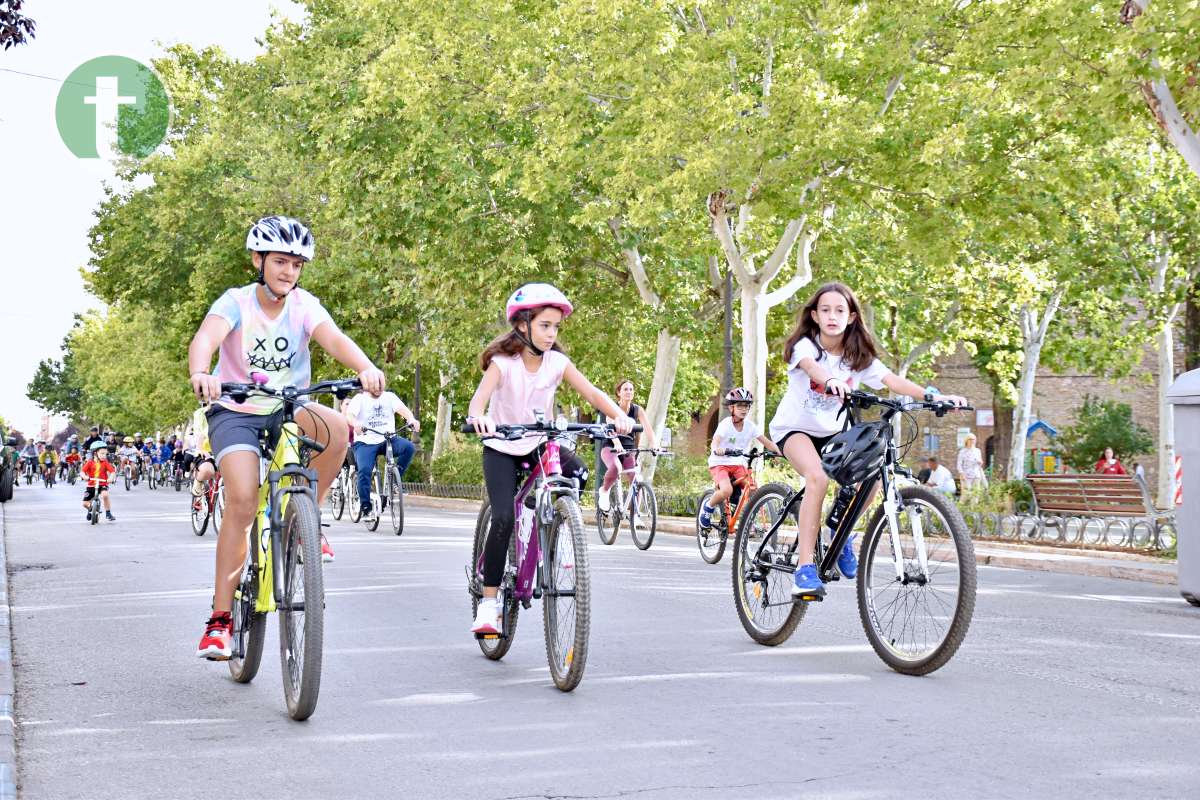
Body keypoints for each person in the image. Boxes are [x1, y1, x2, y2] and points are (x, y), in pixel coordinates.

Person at [188, 214, 385, 660]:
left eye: (296, 264)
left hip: (286, 406)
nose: (289, 272)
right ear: (258, 260)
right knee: (241, 498)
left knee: (335, 427)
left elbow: (333, 338)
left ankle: (307, 519)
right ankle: (220, 621)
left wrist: (364, 368)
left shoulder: (303, 305)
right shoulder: (236, 302)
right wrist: (202, 372)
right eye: (280, 262)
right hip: (236, 409)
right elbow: (205, 338)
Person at [768, 282, 968, 599]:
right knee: (817, 477)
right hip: (795, 430)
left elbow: (891, 380)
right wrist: (831, 380)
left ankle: (840, 532)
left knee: (874, 478)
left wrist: (934, 395)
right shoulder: (805, 347)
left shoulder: (857, 357)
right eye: (825, 310)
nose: (832, 316)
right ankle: (804, 568)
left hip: (834, 433)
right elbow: (811, 368)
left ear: (851, 317)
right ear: (814, 316)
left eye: (839, 310)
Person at [465, 283, 634, 635]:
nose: (551, 333)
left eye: (556, 327)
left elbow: (591, 392)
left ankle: (555, 529)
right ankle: (489, 602)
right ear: (523, 325)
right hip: (502, 446)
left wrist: (619, 416)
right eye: (545, 325)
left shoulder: (557, 363)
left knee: (580, 473)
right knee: (501, 518)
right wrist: (480, 418)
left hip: (540, 444)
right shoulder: (502, 364)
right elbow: (477, 402)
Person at [699, 387, 781, 529]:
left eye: (746, 406)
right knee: (727, 491)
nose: (744, 409)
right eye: (740, 406)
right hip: (720, 463)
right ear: (731, 407)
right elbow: (715, 441)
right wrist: (717, 449)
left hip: (738, 463)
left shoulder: (750, 426)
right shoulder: (726, 424)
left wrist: (782, 452)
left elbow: (767, 443)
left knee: (754, 490)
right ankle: (708, 506)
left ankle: (751, 521)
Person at [345, 386, 419, 528]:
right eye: (375, 385)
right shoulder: (359, 399)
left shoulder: (389, 397)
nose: (378, 388)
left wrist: (411, 419)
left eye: (381, 385)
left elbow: (402, 409)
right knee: (365, 471)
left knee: (409, 447)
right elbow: (350, 415)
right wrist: (356, 424)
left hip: (388, 439)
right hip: (365, 441)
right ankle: (366, 508)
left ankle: (394, 481)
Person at [596, 378, 658, 513]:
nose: (629, 391)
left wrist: (654, 444)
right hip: (611, 446)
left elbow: (648, 429)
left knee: (635, 478)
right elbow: (610, 428)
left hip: (629, 448)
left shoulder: (637, 410)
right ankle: (604, 491)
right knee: (616, 467)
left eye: (631, 389)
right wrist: (617, 443)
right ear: (619, 393)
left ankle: (635, 515)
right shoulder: (612, 407)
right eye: (625, 389)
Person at [81, 441, 117, 522]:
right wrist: (84, 476)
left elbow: (112, 472)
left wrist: (111, 478)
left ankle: (108, 513)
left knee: (105, 495)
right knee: (84, 503)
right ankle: (91, 510)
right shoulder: (90, 462)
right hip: (91, 485)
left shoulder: (105, 463)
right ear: (95, 453)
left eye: (105, 454)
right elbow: (82, 471)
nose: (104, 456)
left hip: (102, 484)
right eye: (102, 453)